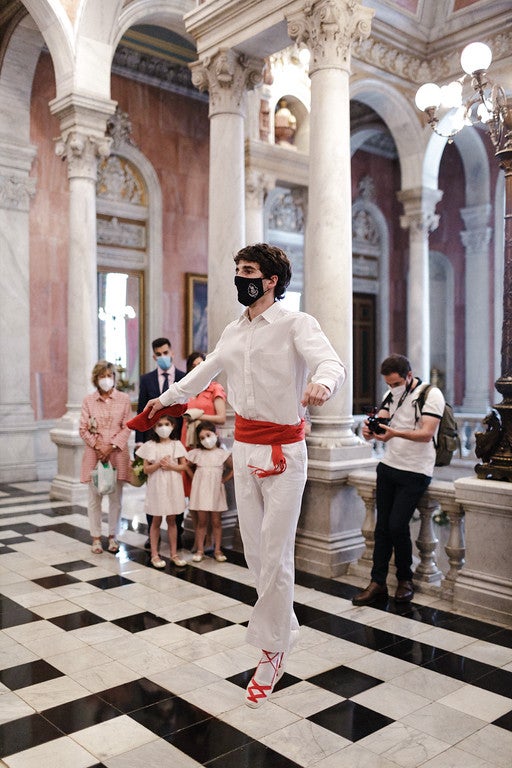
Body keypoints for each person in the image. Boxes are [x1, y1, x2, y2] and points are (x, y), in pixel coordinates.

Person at [143, 243, 345, 708]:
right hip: (245, 445)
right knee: (255, 552)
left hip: (285, 451)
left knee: (276, 550)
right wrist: (164, 400)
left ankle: (272, 650)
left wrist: (322, 383)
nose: (240, 277)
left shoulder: (297, 323)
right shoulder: (233, 330)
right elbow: (200, 376)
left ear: (271, 279)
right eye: (237, 270)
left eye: (248, 271)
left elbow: (330, 361)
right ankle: (284, 626)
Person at [352, 354, 445, 606]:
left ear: (409, 376)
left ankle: (405, 579)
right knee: (382, 528)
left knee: (396, 525)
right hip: (389, 466)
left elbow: (426, 434)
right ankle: (377, 582)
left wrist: (394, 434)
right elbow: (381, 421)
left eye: (395, 383)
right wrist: (370, 431)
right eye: (389, 384)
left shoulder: (431, 395)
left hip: (416, 470)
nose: (392, 388)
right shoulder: (390, 394)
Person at [136, 337, 186, 548]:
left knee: (176, 489)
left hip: (176, 439)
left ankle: (178, 533)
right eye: (159, 355)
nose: (163, 357)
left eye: (166, 353)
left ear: (172, 352)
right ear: (154, 356)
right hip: (151, 441)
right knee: (154, 490)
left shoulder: (184, 378)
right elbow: (141, 410)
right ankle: (152, 532)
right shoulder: (147, 379)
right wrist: (139, 443)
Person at [79, 360, 132, 554]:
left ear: (114, 378)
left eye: (109, 376)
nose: (106, 380)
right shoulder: (89, 401)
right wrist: (98, 446)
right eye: (102, 376)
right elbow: (83, 429)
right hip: (95, 455)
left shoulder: (124, 399)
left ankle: (112, 537)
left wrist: (110, 447)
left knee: (116, 499)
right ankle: (95, 538)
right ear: (96, 379)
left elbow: (127, 426)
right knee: (94, 498)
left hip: (117, 455)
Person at [181, 350, 228, 551]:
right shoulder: (190, 388)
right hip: (189, 440)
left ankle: (210, 539)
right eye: (194, 365)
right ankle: (198, 537)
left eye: (201, 364)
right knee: (193, 490)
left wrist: (200, 416)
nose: (198, 368)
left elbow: (222, 417)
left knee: (208, 492)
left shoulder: (215, 388)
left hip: (206, 438)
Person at [135, 415, 189, 568]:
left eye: (167, 424)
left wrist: (171, 466)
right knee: (156, 520)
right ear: (154, 427)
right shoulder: (150, 445)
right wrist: (158, 464)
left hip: (173, 485)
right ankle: (154, 554)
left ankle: (174, 554)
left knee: (172, 520)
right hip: (157, 485)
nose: (163, 427)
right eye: (160, 424)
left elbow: (183, 466)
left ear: (173, 426)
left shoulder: (176, 444)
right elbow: (146, 469)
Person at [187, 421, 233, 563]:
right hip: (201, 491)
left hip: (215, 491)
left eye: (208, 435)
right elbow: (186, 466)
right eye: (201, 438)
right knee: (202, 521)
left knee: (216, 521)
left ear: (215, 434)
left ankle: (217, 550)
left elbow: (233, 469)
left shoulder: (222, 454)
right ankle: (200, 549)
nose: (206, 439)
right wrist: (194, 477)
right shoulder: (197, 454)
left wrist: (224, 480)